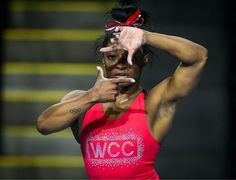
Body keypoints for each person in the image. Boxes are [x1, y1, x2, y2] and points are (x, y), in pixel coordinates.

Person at [36, 1, 208, 179]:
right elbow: (43, 125)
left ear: (144, 60)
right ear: (104, 60)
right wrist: (93, 96)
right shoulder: (82, 100)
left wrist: (145, 37)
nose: (120, 65)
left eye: (129, 56)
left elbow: (198, 57)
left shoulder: (155, 101)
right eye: (112, 57)